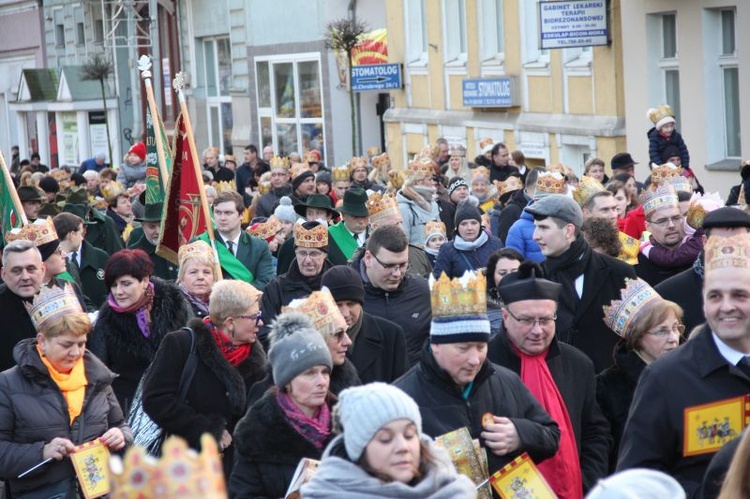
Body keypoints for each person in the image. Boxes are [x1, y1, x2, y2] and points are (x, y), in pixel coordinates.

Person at [616, 233, 750, 497]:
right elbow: (636, 482)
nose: (726, 307)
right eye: (714, 296)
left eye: (739, 295)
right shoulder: (666, 378)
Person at [394, 270, 561, 476]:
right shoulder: (401, 398)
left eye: (481, 347)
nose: (475, 360)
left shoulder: (505, 380)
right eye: (463, 349)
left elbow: (552, 434)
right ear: (436, 345)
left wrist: (520, 434)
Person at [488, 262, 611, 496]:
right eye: (526, 320)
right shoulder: (486, 365)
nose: (538, 330)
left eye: (545, 320)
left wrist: (588, 481)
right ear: (505, 317)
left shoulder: (578, 363)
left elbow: (595, 431)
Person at [0, 281, 132, 497]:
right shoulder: (8, 384)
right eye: (66, 345)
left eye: (81, 343)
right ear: (42, 341)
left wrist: (120, 436)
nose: (76, 352)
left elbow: (120, 425)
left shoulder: (98, 378)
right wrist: (42, 452)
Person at [142, 280, 268, 477]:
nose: (260, 322)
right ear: (230, 322)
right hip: (187, 467)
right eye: (254, 316)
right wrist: (207, 430)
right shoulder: (181, 344)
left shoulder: (257, 358)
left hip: (237, 471)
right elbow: (156, 399)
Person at [302, 383, 477, 498]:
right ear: (360, 450)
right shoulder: (325, 493)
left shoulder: (453, 491)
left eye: (409, 435)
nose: (403, 447)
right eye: (385, 439)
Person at [526, 194, 636, 372]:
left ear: (569, 230)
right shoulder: (535, 277)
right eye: (536, 228)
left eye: (543, 228)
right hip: (560, 382)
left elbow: (636, 332)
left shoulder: (619, 272)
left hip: (611, 383)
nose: (535, 236)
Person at [230, 315, 334, 498]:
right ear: (287, 382)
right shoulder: (256, 433)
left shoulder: (346, 424)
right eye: (309, 373)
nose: (321, 381)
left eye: (324, 372)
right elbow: (242, 494)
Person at [596, 278, 684, 472]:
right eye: (661, 331)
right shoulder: (607, 387)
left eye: (676, 328)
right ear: (638, 337)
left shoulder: (690, 375)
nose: (673, 338)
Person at [88, 249, 191, 414]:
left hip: (173, 405)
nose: (118, 292)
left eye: (126, 283)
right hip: (125, 410)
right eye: (114, 285)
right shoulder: (107, 319)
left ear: (144, 280)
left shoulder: (176, 306)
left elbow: (193, 353)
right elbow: (97, 373)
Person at [656, 207, 750, 335]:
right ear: (705, 242)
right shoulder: (668, 294)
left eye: (738, 241)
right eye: (722, 242)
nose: (730, 249)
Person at [351, 224, 431, 366]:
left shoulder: (422, 292)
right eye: (388, 266)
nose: (397, 274)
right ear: (368, 259)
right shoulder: (348, 294)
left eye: (403, 265)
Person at [322, 265, 408, 384]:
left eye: (351, 304)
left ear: (361, 303)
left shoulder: (391, 335)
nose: (345, 313)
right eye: (338, 305)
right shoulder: (316, 339)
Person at [258, 221, 334, 347]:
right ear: (296, 253)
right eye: (302, 253)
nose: (308, 260)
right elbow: (264, 334)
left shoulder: (336, 285)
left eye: (314, 254)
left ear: (325, 254)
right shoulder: (276, 288)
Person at [198, 190, 274, 289]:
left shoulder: (259, 247)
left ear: (242, 214)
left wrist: (232, 295)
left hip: (247, 302)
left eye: (228, 213)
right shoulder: (201, 243)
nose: (222, 218)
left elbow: (265, 283)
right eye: (218, 212)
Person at [0, 241, 48, 371]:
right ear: (3, 274)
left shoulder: (64, 292)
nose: (25, 277)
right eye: (17, 271)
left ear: (43, 270)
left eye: (31, 269)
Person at [433, 198, 504, 279]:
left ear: (480, 225)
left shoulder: (495, 243)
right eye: (464, 224)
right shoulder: (447, 250)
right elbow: (439, 280)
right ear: (457, 227)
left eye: (474, 223)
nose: (469, 228)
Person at [54, 212, 110, 308]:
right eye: (80, 233)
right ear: (72, 235)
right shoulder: (58, 264)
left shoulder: (69, 263)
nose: (82, 238)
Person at [127, 202, 179, 281]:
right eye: (152, 226)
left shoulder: (180, 249)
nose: (157, 231)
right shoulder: (132, 256)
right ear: (143, 226)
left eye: (161, 225)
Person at [397, 157, 440, 248]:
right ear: (418, 182)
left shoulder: (433, 204)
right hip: (417, 259)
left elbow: (441, 232)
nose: (433, 183)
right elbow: (403, 243)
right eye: (429, 179)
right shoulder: (404, 208)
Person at [328, 188, 369, 265]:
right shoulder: (329, 235)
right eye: (355, 216)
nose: (361, 221)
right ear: (343, 215)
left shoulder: (375, 234)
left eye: (364, 216)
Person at [486, 248, 523, 333]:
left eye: (515, 272)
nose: (509, 277)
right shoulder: (479, 305)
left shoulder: (535, 299)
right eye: (503, 273)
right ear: (492, 276)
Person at [176, 240, 217, 318]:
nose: (200, 277)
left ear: (214, 277)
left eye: (206, 272)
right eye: (193, 272)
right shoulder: (174, 306)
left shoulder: (222, 304)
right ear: (181, 276)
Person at [647, 104, 690, 168]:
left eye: (671, 126)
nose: (669, 129)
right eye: (666, 127)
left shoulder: (677, 136)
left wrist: (685, 166)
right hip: (661, 166)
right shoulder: (654, 138)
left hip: (678, 165)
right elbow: (654, 154)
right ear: (660, 128)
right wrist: (661, 167)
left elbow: (683, 151)